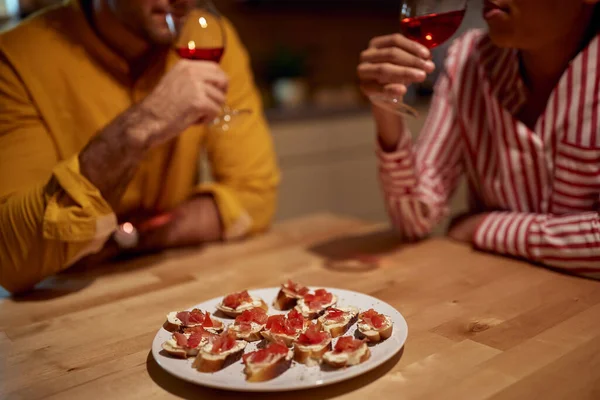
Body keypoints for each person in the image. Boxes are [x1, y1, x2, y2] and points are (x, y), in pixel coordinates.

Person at [0, 0, 280, 294]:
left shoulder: (207, 34)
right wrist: (141, 124)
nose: (185, 2)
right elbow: (11, 258)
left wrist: (128, 238)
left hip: (176, 289)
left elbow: (255, 196)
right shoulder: (17, 58)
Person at [358, 0, 600, 277]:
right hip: (490, 298)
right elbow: (414, 220)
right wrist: (385, 105)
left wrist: (484, 227)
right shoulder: (468, 59)